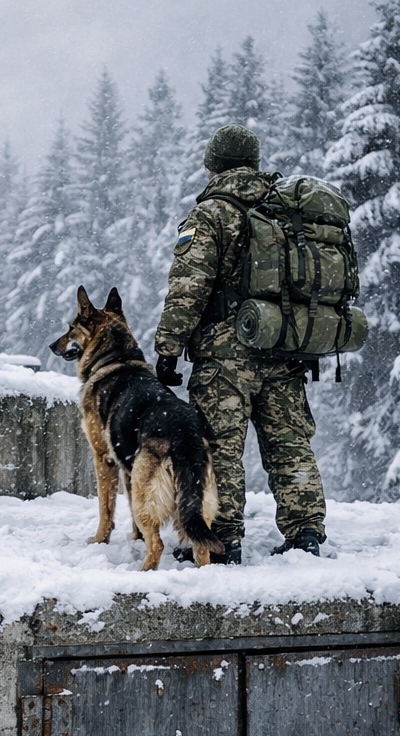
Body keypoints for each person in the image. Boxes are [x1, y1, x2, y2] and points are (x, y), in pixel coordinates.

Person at [154, 123, 326, 565]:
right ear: (254, 163)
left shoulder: (212, 213)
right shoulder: (287, 208)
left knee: (218, 446)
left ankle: (220, 536)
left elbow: (188, 287)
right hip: (284, 347)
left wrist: (168, 347)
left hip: (226, 356)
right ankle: (305, 531)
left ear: (212, 165)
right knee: (289, 442)